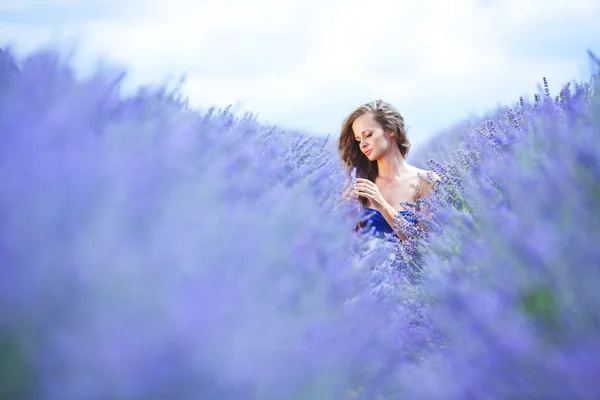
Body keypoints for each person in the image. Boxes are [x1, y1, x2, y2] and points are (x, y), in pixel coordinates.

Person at [338, 100, 440, 241]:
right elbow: (347, 245)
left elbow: (425, 245)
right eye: (358, 139)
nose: (363, 144)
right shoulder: (359, 183)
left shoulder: (427, 181)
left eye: (368, 134)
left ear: (390, 130)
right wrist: (348, 215)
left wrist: (382, 206)